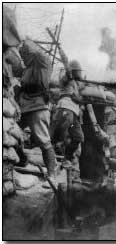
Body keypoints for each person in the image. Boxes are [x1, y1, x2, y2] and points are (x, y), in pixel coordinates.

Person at [19, 39, 56, 188]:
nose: (23, 57)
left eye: (24, 54)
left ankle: (52, 175)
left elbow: (37, 52)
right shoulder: (27, 68)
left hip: (38, 107)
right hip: (24, 106)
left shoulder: (42, 62)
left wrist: (26, 42)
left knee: (43, 141)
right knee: (11, 132)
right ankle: (22, 160)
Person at [50, 60, 84, 181]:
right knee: (56, 137)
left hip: (73, 112)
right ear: (74, 72)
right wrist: (62, 53)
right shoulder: (67, 79)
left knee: (79, 137)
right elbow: (67, 67)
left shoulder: (76, 84)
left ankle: (67, 158)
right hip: (65, 108)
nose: (80, 74)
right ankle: (51, 164)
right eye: (79, 72)